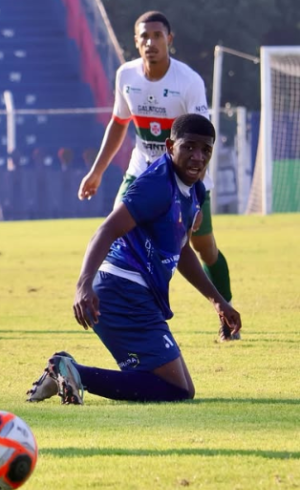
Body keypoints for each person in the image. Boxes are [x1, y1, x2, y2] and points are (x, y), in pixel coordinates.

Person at [27, 114, 241, 405]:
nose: (197, 157)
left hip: (136, 293)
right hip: (120, 291)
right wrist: (83, 285)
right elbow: (106, 231)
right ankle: (70, 372)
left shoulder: (195, 189)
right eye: (189, 147)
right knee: (175, 389)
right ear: (169, 146)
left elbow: (182, 251)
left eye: (206, 150)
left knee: (181, 388)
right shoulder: (154, 185)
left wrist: (217, 300)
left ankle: (67, 370)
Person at [77, 11, 239, 342]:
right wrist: (97, 172)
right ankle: (118, 305)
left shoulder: (188, 81)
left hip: (184, 178)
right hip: (141, 173)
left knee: (203, 248)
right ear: (136, 42)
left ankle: (225, 311)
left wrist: (197, 195)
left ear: (170, 39)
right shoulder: (126, 75)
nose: (150, 42)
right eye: (143, 37)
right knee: (118, 230)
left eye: (157, 36)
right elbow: (119, 124)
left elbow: (202, 143)